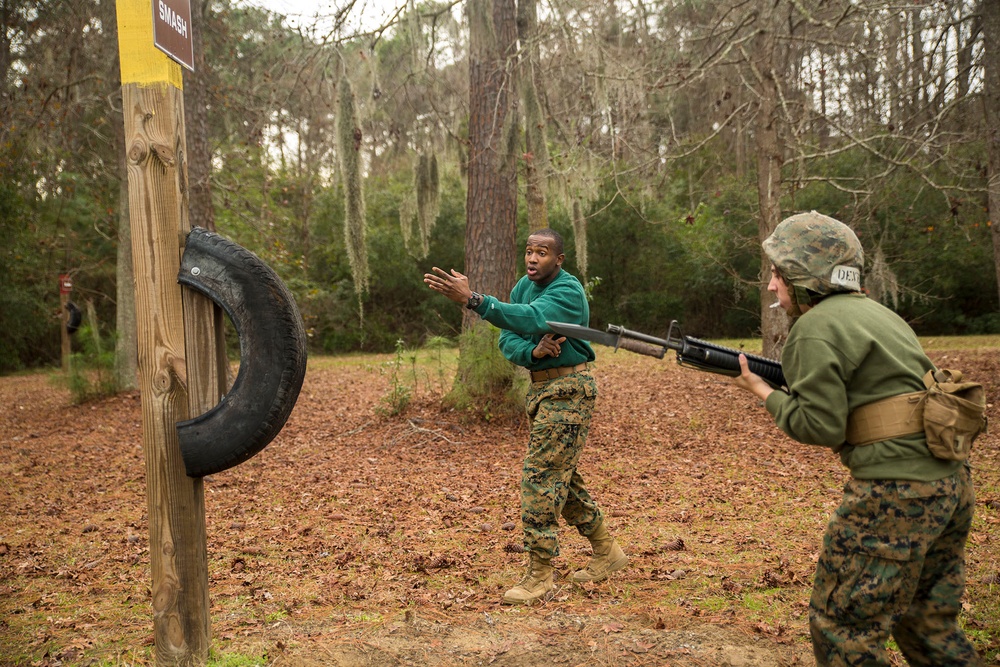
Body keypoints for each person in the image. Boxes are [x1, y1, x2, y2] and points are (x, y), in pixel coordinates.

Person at [732, 211, 982, 666]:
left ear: (805, 277)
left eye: (778, 273)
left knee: (842, 628)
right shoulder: (880, 315)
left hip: (895, 493)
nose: (772, 286)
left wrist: (763, 392)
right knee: (927, 625)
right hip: (950, 484)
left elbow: (819, 425)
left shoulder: (813, 327)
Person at [423, 228, 628, 605]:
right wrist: (533, 353)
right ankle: (607, 552)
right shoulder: (522, 286)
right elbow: (508, 338)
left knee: (541, 477)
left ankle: (540, 574)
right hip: (541, 390)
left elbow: (532, 318)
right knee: (560, 478)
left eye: (543, 253)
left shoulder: (568, 291)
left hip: (570, 389)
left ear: (559, 260)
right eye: (530, 252)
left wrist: (475, 300)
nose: (533, 259)